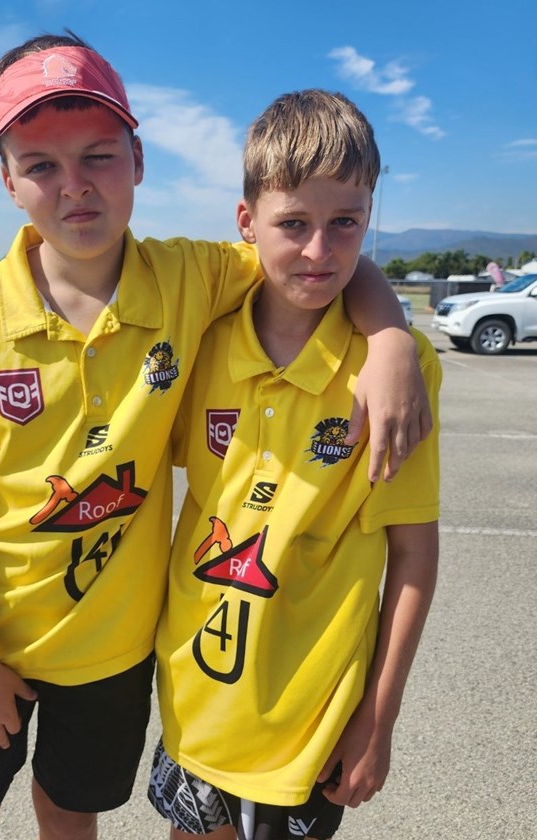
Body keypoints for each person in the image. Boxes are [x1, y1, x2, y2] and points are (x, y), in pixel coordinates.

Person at [0, 32, 430, 840]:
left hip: (111, 655)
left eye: (98, 156)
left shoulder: (191, 277)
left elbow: (319, 245)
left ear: (138, 160)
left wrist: (389, 339)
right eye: (40, 165)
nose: (75, 185)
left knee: (68, 815)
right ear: (6, 180)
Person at [147, 89, 441, 840]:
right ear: (246, 222)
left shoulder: (398, 373)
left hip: (312, 717)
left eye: (346, 222)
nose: (319, 251)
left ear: (369, 217)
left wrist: (379, 717)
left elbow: (412, 553)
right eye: (293, 224)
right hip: (195, 697)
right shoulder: (201, 339)